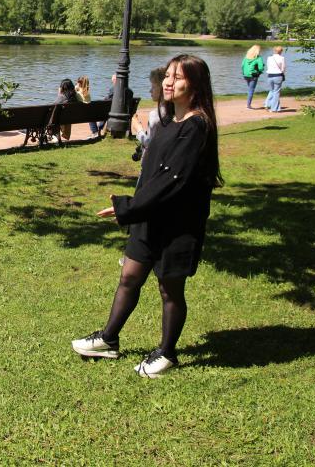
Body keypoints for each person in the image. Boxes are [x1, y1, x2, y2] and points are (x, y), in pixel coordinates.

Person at [72, 55, 222, 378]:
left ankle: (167, 353)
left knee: (170, 290)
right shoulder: (168, 120)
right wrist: (136, 207)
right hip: (149, 216)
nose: (168, 82)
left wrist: (128, 207)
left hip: (177, 225)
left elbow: (172, 181)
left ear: (195, 85)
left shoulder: (196, 127)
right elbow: (152, 172)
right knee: (129, 276)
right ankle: (109, 339)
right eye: (168, 75)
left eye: (178, 78)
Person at [131, 67, 167, 152]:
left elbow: (151, 146)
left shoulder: (157, 114)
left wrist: (138, 129)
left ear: (162, 89)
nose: (150, 91)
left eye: (153, 87)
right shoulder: (178, 111)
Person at [241, 45, 265, 109]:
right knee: (251, 90)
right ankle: (248, 105)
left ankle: (248, 104)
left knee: (250, 89)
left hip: (246, 75)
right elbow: (261, 68)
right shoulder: (258, 58)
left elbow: (242, 66)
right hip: (253, 75)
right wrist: (260, 70)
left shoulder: (246, 57)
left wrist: (244, 73)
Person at [265, 46, 287, 113]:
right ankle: (274, 109)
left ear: (274, 50)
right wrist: (283, 73)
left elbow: (268, 66)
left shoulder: (269, 58)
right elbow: (283, 68)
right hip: (278, 76)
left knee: (272, 90)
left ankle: (267, 104)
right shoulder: (282, 58)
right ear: (281, 51)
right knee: (276, 92)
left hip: (270, 75)